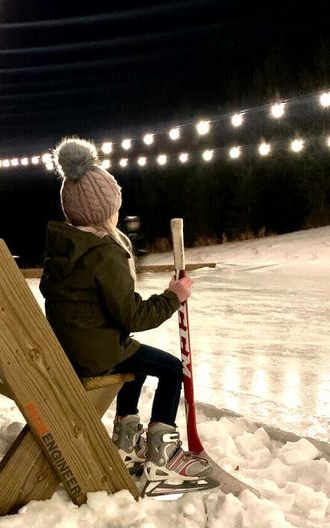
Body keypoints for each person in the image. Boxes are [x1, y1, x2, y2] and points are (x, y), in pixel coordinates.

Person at [40, 137, 216, 496]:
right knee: (170, 369)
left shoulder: (63, 249)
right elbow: (132, 316)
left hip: (71, 350)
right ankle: (161, 455)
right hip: (96, 355)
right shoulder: (105, 253)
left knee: (133, 358)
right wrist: (173, 296)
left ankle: (125, 441)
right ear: (105, 211)